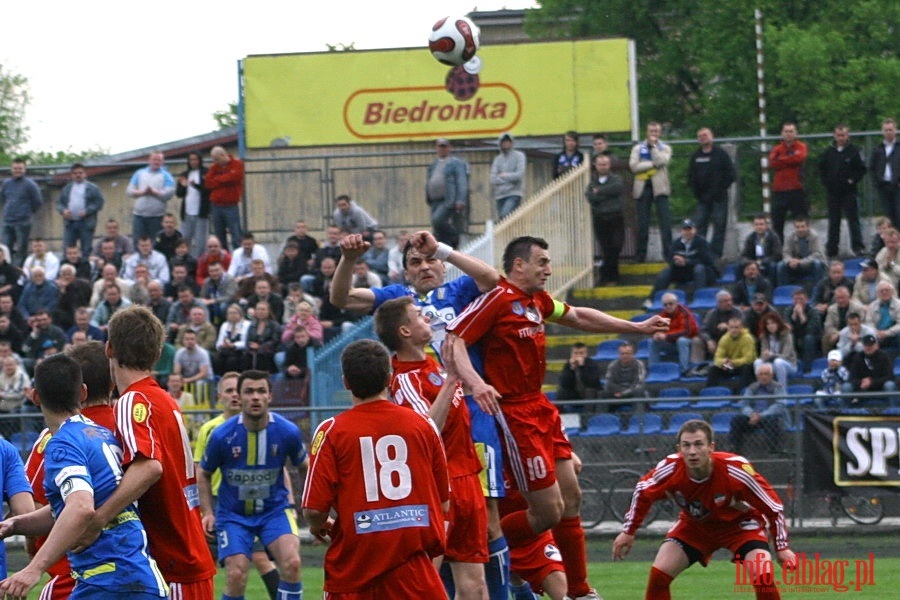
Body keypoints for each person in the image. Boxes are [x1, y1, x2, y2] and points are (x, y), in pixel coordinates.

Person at [447, 236, 669, 600]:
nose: (548, 269)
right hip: (514, 414)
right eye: (542, 262)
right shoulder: (497, 300)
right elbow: (453, 339)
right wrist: (477, 383)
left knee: (573, 497)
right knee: (548, 513)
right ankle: (477, 548)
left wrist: (638, 327)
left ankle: (580, 591)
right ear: (518, 265)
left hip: (541, 408)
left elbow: (579, 316)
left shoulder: (537, 301)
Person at [330, 230, 510, 599]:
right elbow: (341, 297)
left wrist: (442, 249)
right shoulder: (397, 301)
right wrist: (348, 259)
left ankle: (518, 585)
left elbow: (494, 280)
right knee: (427, 557)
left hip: (474, 415)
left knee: (491, 522)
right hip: (434, 430)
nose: (425, 266)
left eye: (430, 260)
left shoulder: (458, 292)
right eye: (415, 262)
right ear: (405, 272)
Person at [0, 354, 166, 600]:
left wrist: (33, 570)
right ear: (83, 392)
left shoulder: (62, 444)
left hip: (107, 580)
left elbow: (81, 507)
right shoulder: (100, 434)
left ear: (35, 397)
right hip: (136, 574)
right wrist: (16, 524)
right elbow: (72, 505)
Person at [302, 339, 450, 598]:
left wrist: (319, 524)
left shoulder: (332, 431)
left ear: (346, 382)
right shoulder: (423, 425)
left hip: (355, 568)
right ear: (389, 378)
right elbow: (444, 502)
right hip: (414, 570)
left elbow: (314, 509)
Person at [87, 305, 216, 597]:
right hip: (187, 551)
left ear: (109, 349)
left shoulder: (132, 401)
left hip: (173, 560)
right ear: (158, 355)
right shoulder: (165, 399)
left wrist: (98, 519)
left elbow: (149, 467)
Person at [374, 297, 488, 600]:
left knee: (475, 585)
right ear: (405, 331)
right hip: (437, 489)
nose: (426, 317)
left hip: (466, 478)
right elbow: (425, 432)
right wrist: (452, 379)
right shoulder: (405, 379)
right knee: (424, 582)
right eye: (417, 316)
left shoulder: (433, 364)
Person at [612, 419, 795, 600]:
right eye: (686, 445)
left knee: (763, 576)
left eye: (699, 444)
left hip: (740, 526)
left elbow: (774, 507)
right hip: (695, 527)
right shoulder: (669, 468)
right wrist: (628, 531)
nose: (692, 451)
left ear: (711, 447)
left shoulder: (735, 469)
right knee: (659, 576)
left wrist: (782, 547)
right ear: (679, 449)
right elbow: (642, 491)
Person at [21, 341, 117, 599]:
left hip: (74, 570)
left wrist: (34, 562)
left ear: (35, 396)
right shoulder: (122, 429)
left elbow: (42, 500)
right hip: (131, 562)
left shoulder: (58, 439)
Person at [199, 370, 305, 600]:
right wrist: (208, 511)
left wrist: (308, 503)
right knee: (236, 574)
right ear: (240, 396)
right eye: (249, 391)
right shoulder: (221, 435)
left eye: (261, 391)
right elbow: (204, 473)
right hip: (233, 515)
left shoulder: (287, 431)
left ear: (270, 396)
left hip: (274, 511)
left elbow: (304, 466)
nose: (255, 397)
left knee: (293, 563)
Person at [819, 124, 867, 257]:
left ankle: (858, 247)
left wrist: (852, 180)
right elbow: (822, 169)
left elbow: (861, 169)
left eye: (843, 135)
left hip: (849, 192)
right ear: (834, 136)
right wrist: (827, 182)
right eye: (838, 135)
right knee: (834, 221)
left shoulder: (854, 151)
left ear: (848, 136)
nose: (841, 138)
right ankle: (832, 249)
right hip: (833, 192)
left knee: (853, 220)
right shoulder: (829, 152)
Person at [687, 127, 736, 257]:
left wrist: (720, 189)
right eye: (700, 136)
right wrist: (697, 193)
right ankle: (700, 252)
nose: (703, 137)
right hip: (702, 199)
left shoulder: (721, 154)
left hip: (719, 198)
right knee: (699, 226)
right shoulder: (696, 156)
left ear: (712, 136)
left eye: (705, 135)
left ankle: (716, 254)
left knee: (719, 225)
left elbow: (731, 174)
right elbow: (691, 176)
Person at [645, 219, 716, 305]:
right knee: (667, 271)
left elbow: (707, 260)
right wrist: (676, 262)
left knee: (699, 268)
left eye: (689, 229)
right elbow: (670, 258)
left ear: (694, 230)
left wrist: (687, 262)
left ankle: (700, 298)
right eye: (685, 229)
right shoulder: (676, 243)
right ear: (681, 231)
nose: (687, 232)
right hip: (683, 272)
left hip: (702, 273)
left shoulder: (701, 242)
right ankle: (652, 299)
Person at [630, 121, 673, 262]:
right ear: (647, 132)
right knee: (643, 224)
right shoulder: (637, 148)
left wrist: (653, 148)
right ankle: (640, 256)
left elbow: (662, 161)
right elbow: (634, 166)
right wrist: (652, 164)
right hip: (643, 188)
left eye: (656, 131)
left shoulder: (665, 147)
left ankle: (668, 255)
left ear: (659, 133)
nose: (653, 134)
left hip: (660, 189)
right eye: (651, 131)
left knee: (665, 223)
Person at [585, 154, 625, 285]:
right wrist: (606, 194)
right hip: (600, 218)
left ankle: (609, 275)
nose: (603, 166)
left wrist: (600, 192)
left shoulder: (616, 179)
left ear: (610, 165)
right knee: (606, 248)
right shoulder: (592, 183)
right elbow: (591, 197)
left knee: (616, 246)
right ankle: (610, 277)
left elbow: (617, 189)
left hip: (616, 217)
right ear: (595, 166)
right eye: (600, 164)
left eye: (605, 164)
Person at [769, 122, 809, 244]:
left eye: (791, 131)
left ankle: (803, 248)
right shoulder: (777, 149)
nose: (788, 134)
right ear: (782, 133)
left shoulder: (801, 146)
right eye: (786, 131)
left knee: (801, 221)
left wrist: (782, 159)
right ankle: (778, 250)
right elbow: (772, 163)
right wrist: (789, 159)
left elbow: (799, 158)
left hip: (796, 188)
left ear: (796, 133)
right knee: (777, 222)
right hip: (779, 190)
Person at [56, 162, 105, 259]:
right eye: (75, 173)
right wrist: (63, 211)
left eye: (80, 173)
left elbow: (100, 202)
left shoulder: (93, 188)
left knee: (86, 250)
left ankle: (85, 271)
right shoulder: (67, 188)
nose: (78, 175)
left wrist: (88, 211)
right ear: (71, 175)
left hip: (86, 223)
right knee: (67, 250)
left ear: (85, 174)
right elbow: (59, 203)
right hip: (70, 223)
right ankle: (67, 271)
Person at [427, 138, 469, 248]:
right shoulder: (434, 164)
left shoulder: (456, 163)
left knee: (438, 220)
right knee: (437, 228)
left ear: (449, 148)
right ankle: (445, 249)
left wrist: (460, 200)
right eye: (440, 146)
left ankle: (454, 236)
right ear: (436, 148)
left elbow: (462, 181)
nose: (442, 149)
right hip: (434, 200)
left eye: (444, 146)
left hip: (448, 199)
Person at [0, 158, 43, 266]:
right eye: (15, 168)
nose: (17, 170)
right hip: (7, 221)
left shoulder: (30, 185)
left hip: (23, 222)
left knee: (21, 250)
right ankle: (6, 272)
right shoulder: (6, 183)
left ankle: (19, 273)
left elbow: (38, 202)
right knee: (5, 249)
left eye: (20, 168)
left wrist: (26, 213)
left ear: (24, 169)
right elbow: (3, 198)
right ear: (11, 169)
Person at [127, 150, 176, 243]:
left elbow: (169, 194)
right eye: (154, 159)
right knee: (138, 242)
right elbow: (129, 191)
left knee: (155, 243)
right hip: (139, 215)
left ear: (162, 162)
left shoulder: (167, 176)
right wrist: (142, 192)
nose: (156, 162)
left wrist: (154, 192)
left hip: (157, 216)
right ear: (149, 160)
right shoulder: (139, 173)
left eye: (159, 160)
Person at [205, 145, 244, 250]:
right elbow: (208, 183)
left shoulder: (237, 164)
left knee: (236, 234)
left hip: (231, 205)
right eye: (214, 160)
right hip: (216, 205)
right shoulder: (214, 167)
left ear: (223, 155)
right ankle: (223, 258)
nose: (215, 162)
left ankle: (237, 257)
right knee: (219, 235)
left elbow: (234, 178)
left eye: (217, 159)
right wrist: (224, 180)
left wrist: (217, 180)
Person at [649, 292, 699, 375]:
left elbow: (687, 331)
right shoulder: (662, 315)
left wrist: (666, 336)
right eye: (665, 305)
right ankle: (653, 370)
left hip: (689, 344)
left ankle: (684, 370)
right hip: (672, 342)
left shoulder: (684, 313)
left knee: (682, 340)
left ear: (676, 304)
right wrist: (656, 334)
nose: (668, 306)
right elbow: (655, 329)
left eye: (670, 304)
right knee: (653, 341)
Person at [842, 334, 896, 407]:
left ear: (876, 345)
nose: (868, 347)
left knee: (890, 385)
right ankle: (845, 412)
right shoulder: (858, 357)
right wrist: (861, 382)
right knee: (846, 386)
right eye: (866, 345)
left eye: (870, 345)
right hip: (862, 388)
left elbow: (890, 376)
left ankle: (892, 410)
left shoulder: (884, 356)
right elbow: (852, 378)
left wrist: (872, 382)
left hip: (880, 387)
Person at [706, 317, 756, 391]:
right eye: (731, 327)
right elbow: (717, 358)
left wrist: (733, 362)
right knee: (713, 369)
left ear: (741, 328)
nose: (734, 330)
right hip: (729, 366)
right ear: (728, 328)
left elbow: (748, 359)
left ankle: (739, 393)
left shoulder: (747, 338)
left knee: (747, 367)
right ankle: (710, 392)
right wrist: (723, 362)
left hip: (742, 366)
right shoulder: (724, 339)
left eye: (736, 327)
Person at [175, 152, 210, 256]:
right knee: (184, 239)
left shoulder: (205, 172)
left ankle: (199, 263)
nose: (193, 162)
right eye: (191, 160)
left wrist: (196, 186)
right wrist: (183, 186)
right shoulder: (184, 174)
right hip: (187, 212)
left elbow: (208, 190)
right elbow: (179, 194)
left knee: (201, 241)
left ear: (200, 160)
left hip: (201, 212)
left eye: (195, 159)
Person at [776, 215, 825, 287]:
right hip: (795, 265)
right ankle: (783, 290)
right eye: (797, 227)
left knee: (817, 264)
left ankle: (818, 290)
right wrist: (790, 261)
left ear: (808, 227)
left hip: (809, 264)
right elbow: (786, 253)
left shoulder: (814, 236)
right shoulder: (790, 237)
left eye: (802, 226)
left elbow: (817, 254)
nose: (800, 229)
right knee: (780, 265)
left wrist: (800, 262)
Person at [869, 118, 900, 228]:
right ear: (882, 131)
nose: (888, 132)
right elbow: (872, 167)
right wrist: (877, 182)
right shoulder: (878, 149)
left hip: (897, 186)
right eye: (886, 130)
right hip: (884, 186)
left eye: (890, 130)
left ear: (895, 130)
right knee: (888, 216)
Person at [753, 312, 798, 387]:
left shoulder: (787, 335)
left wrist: (771, 355)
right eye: (768, 324)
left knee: (778, 362)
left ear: (778, 323)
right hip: (771, 364)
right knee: (757, 362)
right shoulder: (765, 337)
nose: (770, 326)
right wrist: (765, 355)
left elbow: (785, 355)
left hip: (788, 364)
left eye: (773, 323)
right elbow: (762, 355)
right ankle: (761, 389)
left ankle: (782, 392)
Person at [782, 287, 821, 373]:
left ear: (806, 299)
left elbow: (811, 330)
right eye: (796, 299)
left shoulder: (813, 311)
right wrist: (794, 317)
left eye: (801, 299)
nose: (798, 302)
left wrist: (801, 315)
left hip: (812, 337)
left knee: (808, 338)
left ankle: (807, 368)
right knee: (788, 336)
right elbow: (787, 328)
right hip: (796, 335)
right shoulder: (788, 310)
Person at [490, 132, 527, 221]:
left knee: (505, 215)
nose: (506, 143)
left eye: (508, 141)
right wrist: (509, 178)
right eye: (504, 142)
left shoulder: (519, 156)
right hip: (500, 195)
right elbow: (493, 179)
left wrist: (503, 175)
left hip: (514, 193)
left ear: (512, 142)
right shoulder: (497, 159)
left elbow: (519, 175)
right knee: (503, 221)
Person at [740, 214, 782, 284]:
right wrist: (751, 262)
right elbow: (744, 255)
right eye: (756, 225)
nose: (759, 227)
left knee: (773, 266)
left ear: (766, 225)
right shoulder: (751, 238)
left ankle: (771, 288)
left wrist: (762, 262)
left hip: (768, 262)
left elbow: (777, 255)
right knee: (740, 266)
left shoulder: (773, 237)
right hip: (754, 262)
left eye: (761, 224)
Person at [603, 341, 647, 405]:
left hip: (631, 394)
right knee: (602, 393)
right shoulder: (613, 365)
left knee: (639, 392)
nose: (624, 356)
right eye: (622, 354)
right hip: (616, 394)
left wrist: (623, 393)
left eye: (627, 353)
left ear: (633, 354)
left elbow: (638, 384)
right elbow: (609, 383)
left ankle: (638, 415)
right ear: (619, 354)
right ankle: (603, 415)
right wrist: (619, 392)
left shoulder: (639, 364)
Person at [822, 286, 865, 352]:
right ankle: (829, 359)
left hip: (854, 332)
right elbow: (828, 326)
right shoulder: (831, 309)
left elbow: (861, 324)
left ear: (849, 297)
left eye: (842, 298)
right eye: (838, 298)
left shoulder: (857, 308)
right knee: (826, 339)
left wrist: (841, 334)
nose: (840, 300)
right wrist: (836, 333)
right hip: (836, 333)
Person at [214, 303, 251, 375]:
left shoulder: (247, 324)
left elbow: (246, 342)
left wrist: (233, 345)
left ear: (240, 314)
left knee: (231, 361)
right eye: (230, 313)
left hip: (240, 351)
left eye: (235, 313)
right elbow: (218, 343)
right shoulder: (225, 325)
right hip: (226, 350)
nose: (232, 315)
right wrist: (223, 345)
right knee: (217, 359)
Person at [865, 280, 900, 350]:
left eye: (887, 290)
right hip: (877, 335)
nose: (884, 292)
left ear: (892, 292)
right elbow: (868, 323)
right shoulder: (872, 306)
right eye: (881, 291)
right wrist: (876, 332)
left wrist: (887, 333)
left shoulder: (898, 305)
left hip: (894, 335)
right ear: (877, 293)